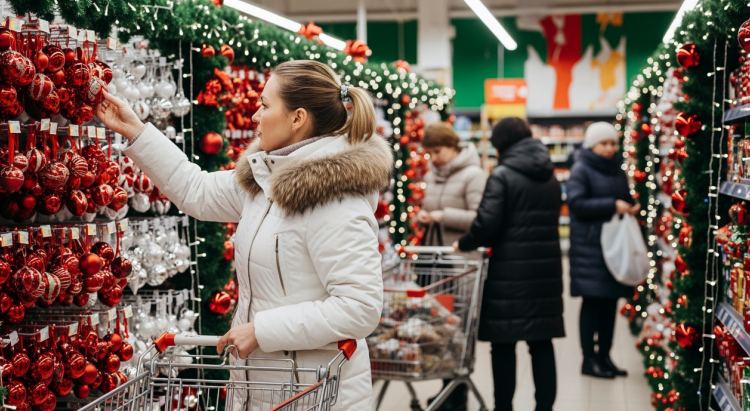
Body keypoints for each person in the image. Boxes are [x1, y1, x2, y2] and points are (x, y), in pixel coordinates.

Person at [95, 60, 390, 410]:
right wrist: (137, 132)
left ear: (298, 118)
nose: (253, 116)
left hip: (313, 394)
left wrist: (261, 330)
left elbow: (360, 307)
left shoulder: (336, 200)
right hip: (267, 385)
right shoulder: (266, 180)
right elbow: (197, 190)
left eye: (265, 106)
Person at [455, 117, 564, 411]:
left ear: (500, 142)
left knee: (503, 345)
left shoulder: (502, 175)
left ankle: (503, 407)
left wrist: (463, 244)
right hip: (545, 272)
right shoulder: (550, 175)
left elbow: (486, 224)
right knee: (541, 343)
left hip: (507, 273)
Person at [566, 121, 639, 379]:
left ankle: (605, 356)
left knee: (610, 304)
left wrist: (630, 205)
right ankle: (588, 359)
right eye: (604, 143)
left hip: (615, 248)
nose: (609, 148)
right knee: (592, 304)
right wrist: (612, 205)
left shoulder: (616, 170)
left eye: (612, 143)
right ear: (591, 144)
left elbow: (623, 198)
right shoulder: (581, 169)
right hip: (591, 248)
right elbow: (576, 203)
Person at [416, 122, 486, 247]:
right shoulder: (431, 176)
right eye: (429, 153)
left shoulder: (473, 175)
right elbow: (427, 208)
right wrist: (421, 217)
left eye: (437, 151)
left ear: (452, 146)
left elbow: (480, 219)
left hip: (462, 256)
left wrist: (444, 216)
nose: (433, 158)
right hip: (433, 255)